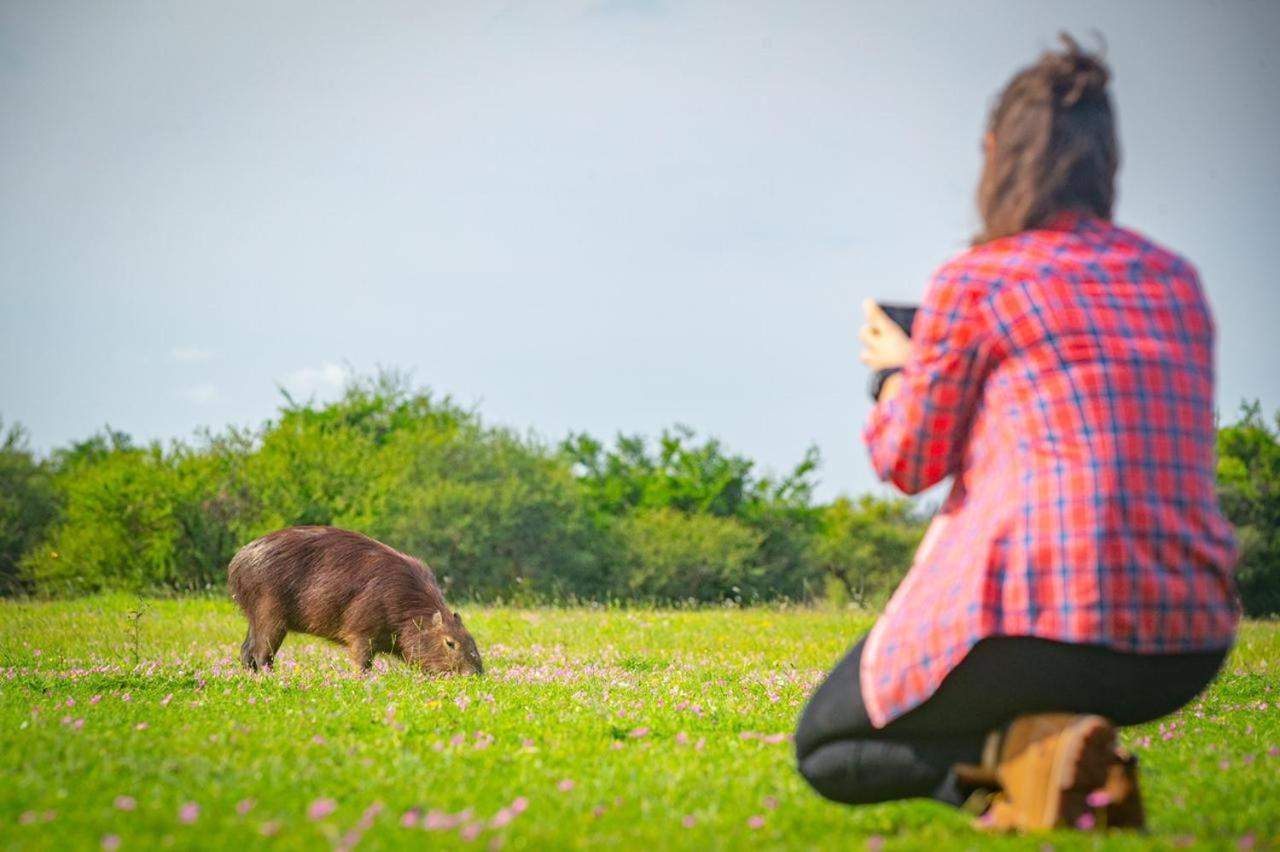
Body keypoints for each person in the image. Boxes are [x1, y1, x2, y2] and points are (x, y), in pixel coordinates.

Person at [794, 34, 1239, 831]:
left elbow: (907, 459)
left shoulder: (978, 280)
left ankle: (1030, 763)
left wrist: (902, 368)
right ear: (1108, 161)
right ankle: (1071, 771)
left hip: (1038, 618)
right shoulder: (1175, 279)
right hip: (1187, 638)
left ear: (996, 154)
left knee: (826, 745)